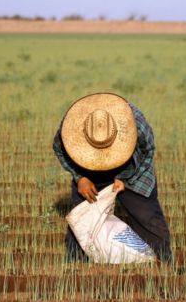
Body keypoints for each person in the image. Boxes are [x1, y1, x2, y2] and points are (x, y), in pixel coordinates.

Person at [52, 92, 173, 263]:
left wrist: (124, 178)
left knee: (148, 219)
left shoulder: (135, 123)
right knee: (83, 220)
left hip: (132, 167)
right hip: (88, 169)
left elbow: (148, 152)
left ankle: (164, 263)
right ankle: (76, 268)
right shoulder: (70, 125)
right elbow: (59, 149)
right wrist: (80, 178)